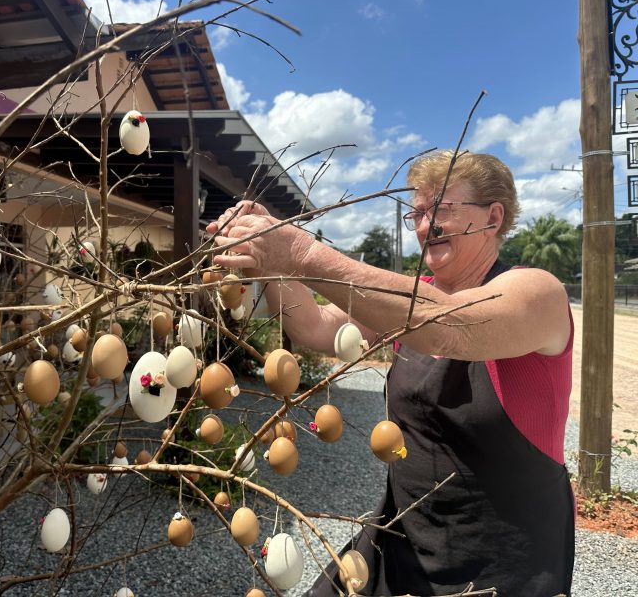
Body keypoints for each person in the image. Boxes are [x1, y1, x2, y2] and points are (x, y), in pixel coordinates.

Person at [206, 150, 574, 596]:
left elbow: (449, 327)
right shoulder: (407, 299)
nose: (423, 226)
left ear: (493, 217)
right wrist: (273, 263)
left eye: (440, 210)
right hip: (401, 535)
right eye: (417, 214)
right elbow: (316, 326)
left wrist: (300, 251)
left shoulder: (536, 292)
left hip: (502, 565)